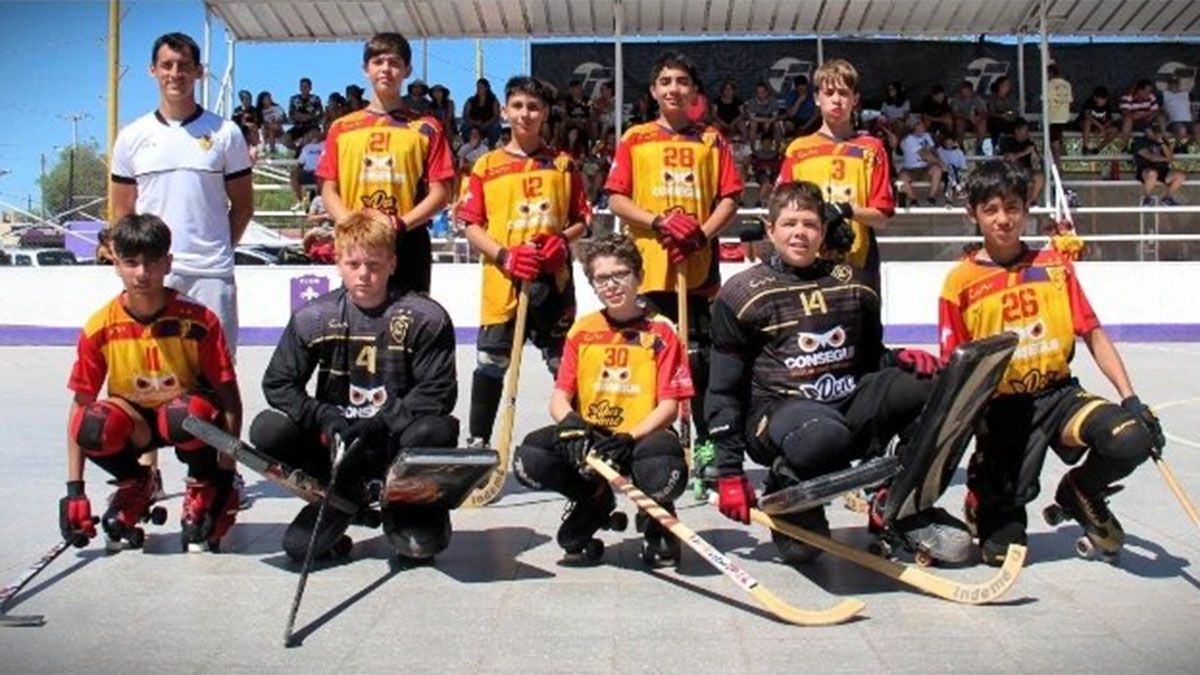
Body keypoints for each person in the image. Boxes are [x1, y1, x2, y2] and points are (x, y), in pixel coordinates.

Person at [708, 181, 969, 565]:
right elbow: (723, 388)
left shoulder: (854, 283)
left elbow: (868, 360)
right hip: (780, 413)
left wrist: (900, 361)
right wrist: (729, 471)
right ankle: (790, 484)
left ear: (823, 230)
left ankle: (897, 503)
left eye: (810, 224)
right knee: (823, 441)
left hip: (844, 403)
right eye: (789, 223)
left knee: (935, 388)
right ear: (770, 229)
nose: (800, 232)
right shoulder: (741, 293)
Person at [940, 160, 1164, 565]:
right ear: (972, 213)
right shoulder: (959, 282)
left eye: (1012, 207)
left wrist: (1130, 398)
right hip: (1004, 412)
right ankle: (983, 498)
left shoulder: (1054, 266)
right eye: (990, 210)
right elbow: (955, 367)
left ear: (1027, 209)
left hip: (1059, 395)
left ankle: (1080, 491)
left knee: (1130, 437)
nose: (1003, 220)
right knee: (1002, 552)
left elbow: (1092, 331)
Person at [249, 210, 460, 561]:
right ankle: (342, 496)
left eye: (375, 264)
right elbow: (278, 383)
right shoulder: (314, 316)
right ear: (337, 262)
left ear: (393, 263)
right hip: (341, 446)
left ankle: (407, 502)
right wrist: (323, 415)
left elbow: (438, 391)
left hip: (396, 444)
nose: (364, 274)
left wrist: (382, 422)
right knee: (267, 430)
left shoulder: (426, 317)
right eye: (354, 263)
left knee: (434, 431)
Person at [59, 214, 242, 553]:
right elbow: (80, 404)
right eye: (131, 263)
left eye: (151, 263)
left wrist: (225, 476)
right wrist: (74, 490)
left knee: (182, 414)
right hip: (135, 425)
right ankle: (136, 482)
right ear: (116, 265)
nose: (142, 274)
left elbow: (230, 398)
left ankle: (201, 485)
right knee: (92, 423)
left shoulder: (199, 320)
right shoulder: (99, 326)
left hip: (187, 420)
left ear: (168, 263)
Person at [512, 234, 692, 562]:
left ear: (638, 275)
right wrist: (571, 424)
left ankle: (657, 513)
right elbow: (560, 397)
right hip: (594, 437)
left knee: (663, 470)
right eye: (601, 278)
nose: (611, 285)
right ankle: (593, 498)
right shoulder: (582, 330)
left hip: (641, 436)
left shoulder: (662, 331)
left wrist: (630, 436)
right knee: (530, 459)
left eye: (620, 274)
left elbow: (669, 404)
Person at [605, 50, 743, 450]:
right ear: (653, 90)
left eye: (682, 81)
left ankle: (703, 445)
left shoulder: (711, 139)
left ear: (695, 91)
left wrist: (701, 234)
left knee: (698, 361)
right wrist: (658, 222)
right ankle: (652, 444)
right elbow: (616, 198)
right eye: (665, 81)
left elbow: (729, 198)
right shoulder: (636, 137)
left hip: (697, 267)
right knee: (649, 358)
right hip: (647, 268)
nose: (674, 88)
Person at [455, 76, 591, 450]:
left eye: (533, 107)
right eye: (517, 106)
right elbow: (471, 224)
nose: (525, 114)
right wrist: (505, 254)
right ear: (504, 111)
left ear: (545, 113)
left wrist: (561, 241)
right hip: (503, 281)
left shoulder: (563, 165)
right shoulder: (486, 165)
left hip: (554, 281)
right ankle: (478, 443)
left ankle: (578, 441)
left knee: (562, 363)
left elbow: (582, 218)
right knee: (490, 362)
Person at [111, 32, 253, 356]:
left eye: (184, 66)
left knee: (218, 374)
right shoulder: (132, 136)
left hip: (212, 274)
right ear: (153, 71)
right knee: (153, 372)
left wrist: (216, 247)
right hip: (155, 273)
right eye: (167, 65)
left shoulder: (226, 133)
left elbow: (243, 207)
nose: (175, 74)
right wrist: (142, 263)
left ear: (199, 72)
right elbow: (122, 212)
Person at [317, 32, 455, 295]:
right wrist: (350, 223)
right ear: (365, 69)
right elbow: (328, 187)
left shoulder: (427, 128)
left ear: (407, 70)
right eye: (378, 62)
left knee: (410, 326)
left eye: (394, 63)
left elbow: (442, 192)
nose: (386, 69)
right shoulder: (341, 128)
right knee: (359, 328)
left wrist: (399, 224)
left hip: (407, 239)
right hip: (357, 242)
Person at [776, 59, 895, 290]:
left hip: (858, 265)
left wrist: (846, 210)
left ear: (855, 100)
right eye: (829, 92)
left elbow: (882, 217)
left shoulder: (872, 148)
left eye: (843, 92)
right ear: (816, 98)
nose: (836, 99)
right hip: (807, 268)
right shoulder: (798, 149)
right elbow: (782, 209)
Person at [1132, 123, 1186, 206]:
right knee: (1152, 173)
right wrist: (1165, 159)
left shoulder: (1163, 142)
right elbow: (1151, 157)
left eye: (1158, 131)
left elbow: (1171, 157)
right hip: (1145, 170)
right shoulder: (1139, 141)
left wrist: (1162, 143)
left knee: (1180, 175)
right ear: (1148, 131)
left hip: (1163, 171)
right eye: (1154, 131)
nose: (1156, 133)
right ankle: (1147, 199)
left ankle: (1167, 198)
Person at [898, 118, 946, 206]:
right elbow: (923, 154)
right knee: (902, 177)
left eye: (922, 125)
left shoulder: (926, 135)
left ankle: (931, 198)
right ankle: (913, 200)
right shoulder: (908, 139)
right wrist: (940, 162)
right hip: (910, 170)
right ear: (913, 128)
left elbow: (933, 150)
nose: (922, 127)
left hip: (925, 168)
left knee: (937, 169)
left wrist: (940, 161)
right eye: (918, 125)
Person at [1000, 119, 1045, 207]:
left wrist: (1034, 154)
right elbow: (1008, 157)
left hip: (1028, 171)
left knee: (1039, 176)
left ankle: (1031, 201)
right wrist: (1025, 152)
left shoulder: (1029, 143)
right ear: (1017, 130)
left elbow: (1037, 160)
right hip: (1013, 171)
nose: (1028, 133)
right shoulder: (1008, 142)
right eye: (1025, 130)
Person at [1119, 79, 1160, 150]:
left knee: (1157, 124)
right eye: (1146, 91)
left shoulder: (1152, 97)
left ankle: (1159, 148)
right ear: (1139, 90)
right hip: (1132, 123)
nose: (1148, 93)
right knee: (1128, 120)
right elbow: (1126, 114)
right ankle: (1124, 147)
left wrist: (1144, 114)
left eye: (1150, 91)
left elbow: (1155, 111)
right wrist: (1141, 115)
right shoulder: (1127, 97)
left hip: (1147, 121)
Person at [950, 80, 989, 152]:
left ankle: (979, 147)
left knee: (982, 123)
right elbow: (954, 113)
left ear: (971, 91)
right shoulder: (956, 99)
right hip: (964, 121)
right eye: (962, 92)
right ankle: (960, 146)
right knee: (959, 122)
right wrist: (967, 117)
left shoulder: (976, 98)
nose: (964, 94)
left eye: (967, 92)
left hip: (974, 122)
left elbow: (984, 113)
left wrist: (977, 118)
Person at [286, 77, 324, 148]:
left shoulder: (315, 99)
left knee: (305, 140)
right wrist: (299, 117)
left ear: (310, 88)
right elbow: (291, 114)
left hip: (312, 126)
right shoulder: (294, 99)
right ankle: (297, 151)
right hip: (298, 126)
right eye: (302, 86)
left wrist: (307, 117)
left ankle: (300, 152)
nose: (304, 88)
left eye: (306, 86)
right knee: (284, 139)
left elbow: (320, 114)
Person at [463, 78, 503, 146]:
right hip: (474, 123)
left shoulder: (494, 100)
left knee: (496, 127)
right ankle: (469, 146)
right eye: (478, 87)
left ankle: (491, 146)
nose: (479, 89)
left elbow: (496, 116)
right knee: (465, 128)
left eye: (481, 87)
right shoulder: (471, 100)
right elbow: (466, 115)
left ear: (486, 88)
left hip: (489, 124)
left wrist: (487, 123)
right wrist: (474, 122)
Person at [1045, 64, 1073, 161]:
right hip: (1064, 116)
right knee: (1057, 137)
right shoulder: (1067, 84)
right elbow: (1070, 100)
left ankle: (1058, 164)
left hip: (1053, 117)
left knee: (1054, 142)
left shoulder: (1049, 85)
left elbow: (1045, 99)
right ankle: (1059, 158)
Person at [1080, 86, 1118, 155]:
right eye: (1102, 99)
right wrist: (1100, 126)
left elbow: (1110, 120)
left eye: (1105, 99)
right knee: (1087, 122)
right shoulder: (1089, 103)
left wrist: (1103, 128)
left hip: (1099, 128)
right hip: (1087, 126)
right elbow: (1087, 116)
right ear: (1095, 98)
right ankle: (1085, 147)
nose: (1103, 101)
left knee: (1114, 130)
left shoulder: (1107, 106)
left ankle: (1097, 149)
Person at [744, 81, 783, 146]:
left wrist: (768, 123)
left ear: (767, 92)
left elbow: (774, 117)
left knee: (777, 124)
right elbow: (752, 118)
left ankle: (779, 146)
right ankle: (752, 147)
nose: (761, 95)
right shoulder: (752, 103)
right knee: (753, 124)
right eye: (759, 93)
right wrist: (766, 121)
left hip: (770, 124)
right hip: (758, 124)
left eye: (763, 92)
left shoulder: (773, 101)